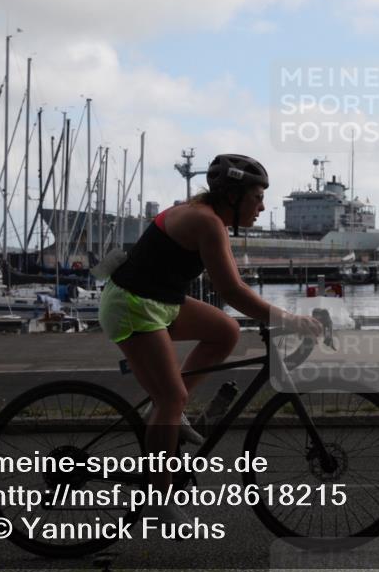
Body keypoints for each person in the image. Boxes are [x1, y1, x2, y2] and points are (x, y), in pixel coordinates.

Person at [96, 153, 322, 522]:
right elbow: (231, 291)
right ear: (232, 196)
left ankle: (166, 413)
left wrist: (273, 315)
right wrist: (289, 319)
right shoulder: (206, 222)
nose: (262, 207)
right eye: (257, 198)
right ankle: (157, 498)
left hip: (158, 301)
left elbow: (236, 285)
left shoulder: (209, 218)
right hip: (133, 305)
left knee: (225, 331)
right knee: (171, 397)